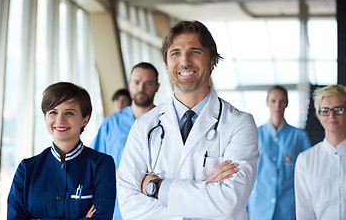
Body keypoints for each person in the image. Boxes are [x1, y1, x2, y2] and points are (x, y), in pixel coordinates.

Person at [117, 20, 259, 219]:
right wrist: (204, 191)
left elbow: (228, 201)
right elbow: (129, 206)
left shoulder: (239, 124)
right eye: (175, 53)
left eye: (195, 51)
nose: (184, 61)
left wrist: (155, 188)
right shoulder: (144, 126)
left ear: (212, 61)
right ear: (166, 63)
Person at [7, 82, 116, 220]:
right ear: (45, 117)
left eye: (69, 113)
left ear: (85, 119)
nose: (60, 120)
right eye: (53, 112)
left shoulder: (102, 165)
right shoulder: (27, 169)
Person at [91, 62, 160, 220]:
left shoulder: (168, 121)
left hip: (156, 207)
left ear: (157, 86)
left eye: (148, 83)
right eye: (136, 83)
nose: (141, 88)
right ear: (129, 84)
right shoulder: (111, 124)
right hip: (118, 210)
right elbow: (93, 165)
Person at [247, 85, 311, 220]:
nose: (277, 105)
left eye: (282, 101)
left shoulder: (299, 136)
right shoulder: (255, 134)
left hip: (289, 208)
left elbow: (308, 173)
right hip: (259, 207)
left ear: (287, 103)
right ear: (267, 102)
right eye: (273, 101)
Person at [295, 84, 346, 219]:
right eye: (325, 110)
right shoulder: (305, 160)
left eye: (339, 109)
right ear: (318, 115)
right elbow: (304, 213)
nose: (332, 115)